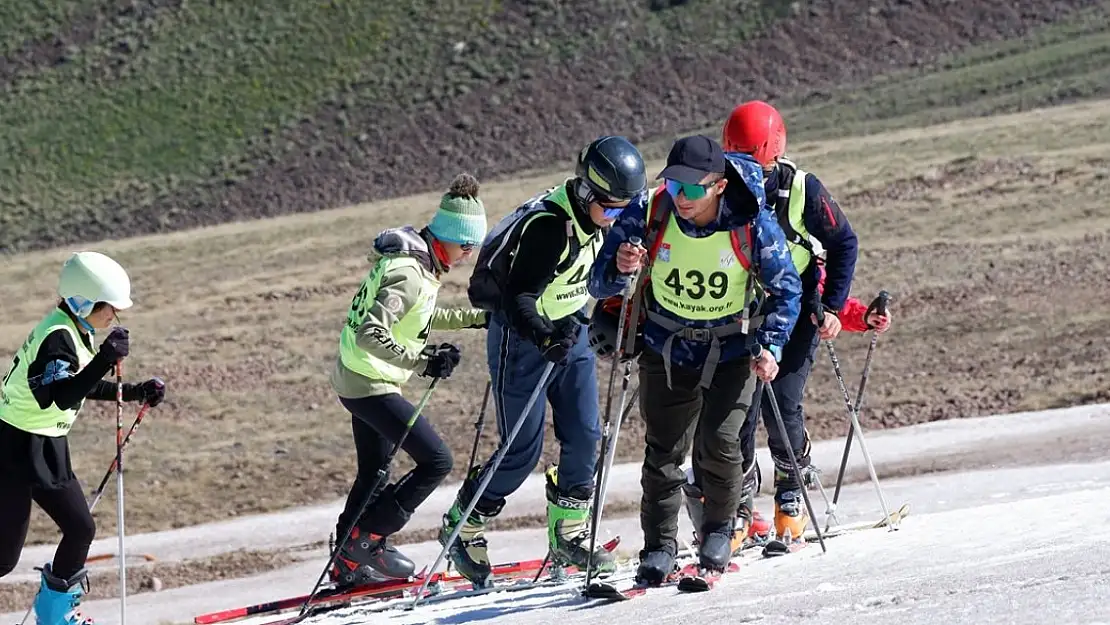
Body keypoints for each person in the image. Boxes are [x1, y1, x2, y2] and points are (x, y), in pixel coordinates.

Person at [588, 134, 802, 582]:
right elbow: (598, 283)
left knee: (721, 445)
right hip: (666, 349)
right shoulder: (649, 212)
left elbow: (787, 290)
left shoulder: (752, 224)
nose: (679, 197)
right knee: (663, 453)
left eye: (691, 189)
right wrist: (621, 268)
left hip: (731, 351)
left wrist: (774, 345)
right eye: (673, 186)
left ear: (719, 186)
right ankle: (659, 548)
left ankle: (720, 531)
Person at [439, 136, 647, 587]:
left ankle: (569, 532)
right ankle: (465, 523)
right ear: (589, 193)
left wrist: (620, 271)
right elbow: (518, 299)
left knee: (586, 432)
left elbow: (587, 282)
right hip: (522, 337)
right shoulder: (550, 226)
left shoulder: (596, 221)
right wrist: (543, 337)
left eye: (624, 208)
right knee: (520, 450)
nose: (616, 218)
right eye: (611, 208)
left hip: (566, 328)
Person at [711, 99, 880, 545]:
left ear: (772, 152)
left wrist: (832, 305)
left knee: (781, 402)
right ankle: (738, 506)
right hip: (738, 308)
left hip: (797, 306)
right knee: (737, 412)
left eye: (753, 162)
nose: (747, 173)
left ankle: (790, 491)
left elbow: (843, 242)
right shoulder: (718, 188)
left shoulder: (802, 189)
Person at [328, 173, 490, 588]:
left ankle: (348, 557)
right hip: (370, 381)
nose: (469, 254)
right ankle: (366, 543)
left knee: (375, 472)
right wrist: (421, 363)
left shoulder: (419, 264)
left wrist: (476, 318)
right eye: (467, 245)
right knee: (437, 461)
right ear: (448, 237)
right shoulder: (410, 273)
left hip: (359, 377)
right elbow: (371, 331)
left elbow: (416, 316)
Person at [0, 251, 166, 625]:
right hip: (19, 448)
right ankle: (54, 614)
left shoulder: (72, 330)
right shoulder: (57, 338)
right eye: (109, 307)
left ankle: (55, 614)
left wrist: (135, 390)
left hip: (41, 445)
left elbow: (76, 385)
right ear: (83, 302)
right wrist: (104, 359)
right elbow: (56, 395)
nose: (114, 316)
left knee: (78, 529)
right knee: (9, 556)